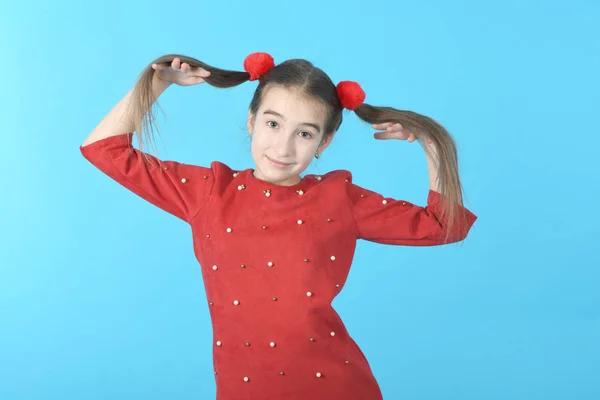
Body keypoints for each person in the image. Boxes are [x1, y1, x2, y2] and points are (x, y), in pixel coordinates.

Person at [80, 52, 477, 400]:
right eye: (273, 124)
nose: (284, 148)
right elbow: (104, 149)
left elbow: (445, 224)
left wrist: (429, 142)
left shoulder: (340, 198)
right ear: (251, 121)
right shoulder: (208, 192)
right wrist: (157, 83)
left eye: (304, 133)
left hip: (336, 387)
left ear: (324, 142)